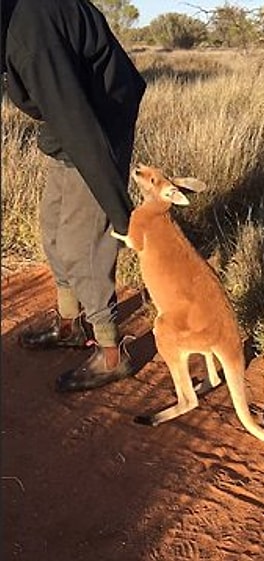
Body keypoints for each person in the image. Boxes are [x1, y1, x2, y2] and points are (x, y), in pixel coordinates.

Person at [1, 0, 145, 391]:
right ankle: (68, 323)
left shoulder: (30, 38)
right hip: (72, 117)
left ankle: (111, 352)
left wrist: (119, 213)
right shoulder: (17, 19)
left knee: (81, 244)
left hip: (98, 124)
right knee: (52, 228)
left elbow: (80, 124)